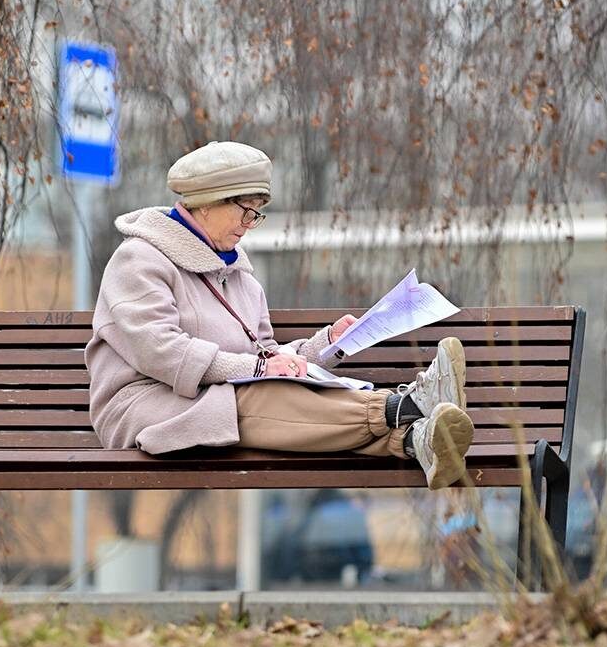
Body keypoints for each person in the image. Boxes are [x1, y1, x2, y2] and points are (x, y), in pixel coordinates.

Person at [85, 141, 474, 489]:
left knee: (264, 392)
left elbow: (266, 357)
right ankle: (404, 407)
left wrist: (328, 345)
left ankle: (413, 439)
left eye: (257, 214)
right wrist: (257, 370)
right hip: (145, 406)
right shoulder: (139, 260)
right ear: (206, 201)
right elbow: (161, 351)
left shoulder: (239, 278)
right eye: (245, 211)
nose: (248, 226)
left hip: (220, 399)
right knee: (256, 396)